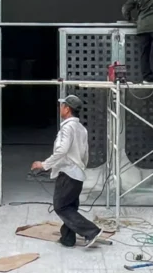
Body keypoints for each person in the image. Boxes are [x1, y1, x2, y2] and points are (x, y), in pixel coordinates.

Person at [31, 95, 104, 248]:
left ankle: (91, 231)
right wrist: (81, 167)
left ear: (67, 109)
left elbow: (62, 150)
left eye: (62, 106)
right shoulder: (81, 129)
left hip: (68, 173)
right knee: (70, 206)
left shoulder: (68, 127)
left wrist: (44, 165)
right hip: (77, 173)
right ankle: (67, 239)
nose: (60, 108)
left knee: (61, 207)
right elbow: (85, 153)